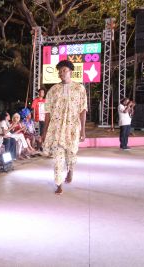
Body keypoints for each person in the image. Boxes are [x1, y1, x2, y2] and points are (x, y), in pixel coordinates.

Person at [42, 60, 87, 195]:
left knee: (71, 154)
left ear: (71, 72)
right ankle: (59, 183)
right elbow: (48, 112)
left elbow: (83, 110)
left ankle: (70, 169)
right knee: (57, 158)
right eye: (60, 71)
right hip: (56, 129)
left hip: (72, 128)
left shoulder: (80, 89)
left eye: (64, 70)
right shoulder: (53, 90)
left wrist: (83, 130)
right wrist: (44, 132)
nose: (62, 73)